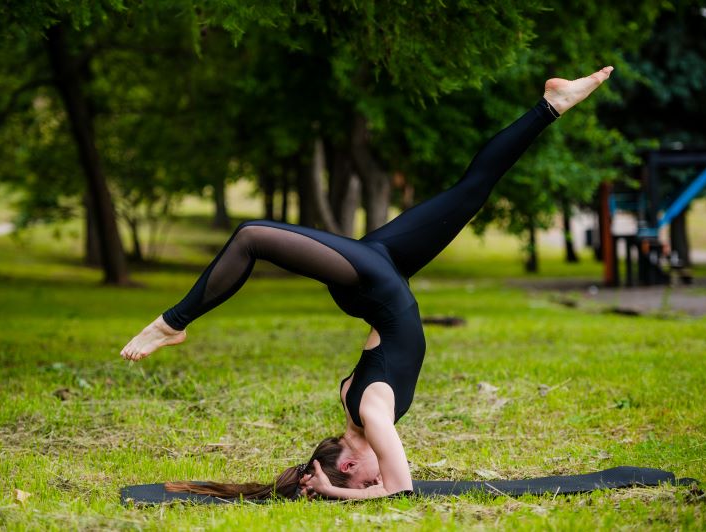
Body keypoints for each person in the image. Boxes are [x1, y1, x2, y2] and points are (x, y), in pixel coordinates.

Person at [121, 67, 614, 500]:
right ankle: (551, 104)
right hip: (383, 278)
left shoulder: (372, 412)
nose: (373, 478)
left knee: (250, 236)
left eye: (362, 479)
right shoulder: (352, 400)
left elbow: (400, 489)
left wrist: (338, 491)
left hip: (373, 284)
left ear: (352, 464)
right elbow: (391, 339)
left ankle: (173, 322)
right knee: (470, 191)